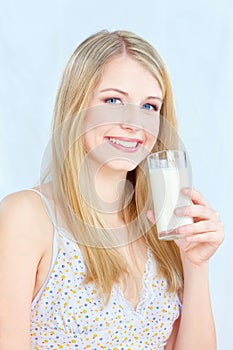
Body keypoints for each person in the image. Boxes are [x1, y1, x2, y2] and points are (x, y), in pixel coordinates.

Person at [0, 30, 224, 350]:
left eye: (149, 107)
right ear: (77, 105)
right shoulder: (27, 217)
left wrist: (196, 265)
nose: (134, 123)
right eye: (113, 100)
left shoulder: (162, 227)